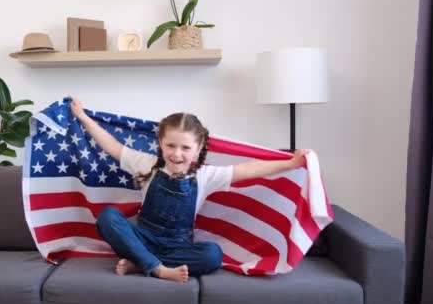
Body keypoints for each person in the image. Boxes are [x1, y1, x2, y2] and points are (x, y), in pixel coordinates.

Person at [70, 97, 307, 283]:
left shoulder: (205, 175)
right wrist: (83, 117)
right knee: (108, 218)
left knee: (212, 255)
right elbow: (112, 146)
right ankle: (158, 269)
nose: (177, 153)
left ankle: (140, 262)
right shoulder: (147, 164)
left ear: (198, 148)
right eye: (170, 145)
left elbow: (247, 169)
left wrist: (291, 163)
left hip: (179, 247)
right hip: (145, 238)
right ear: (160, 143)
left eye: (185, 147)